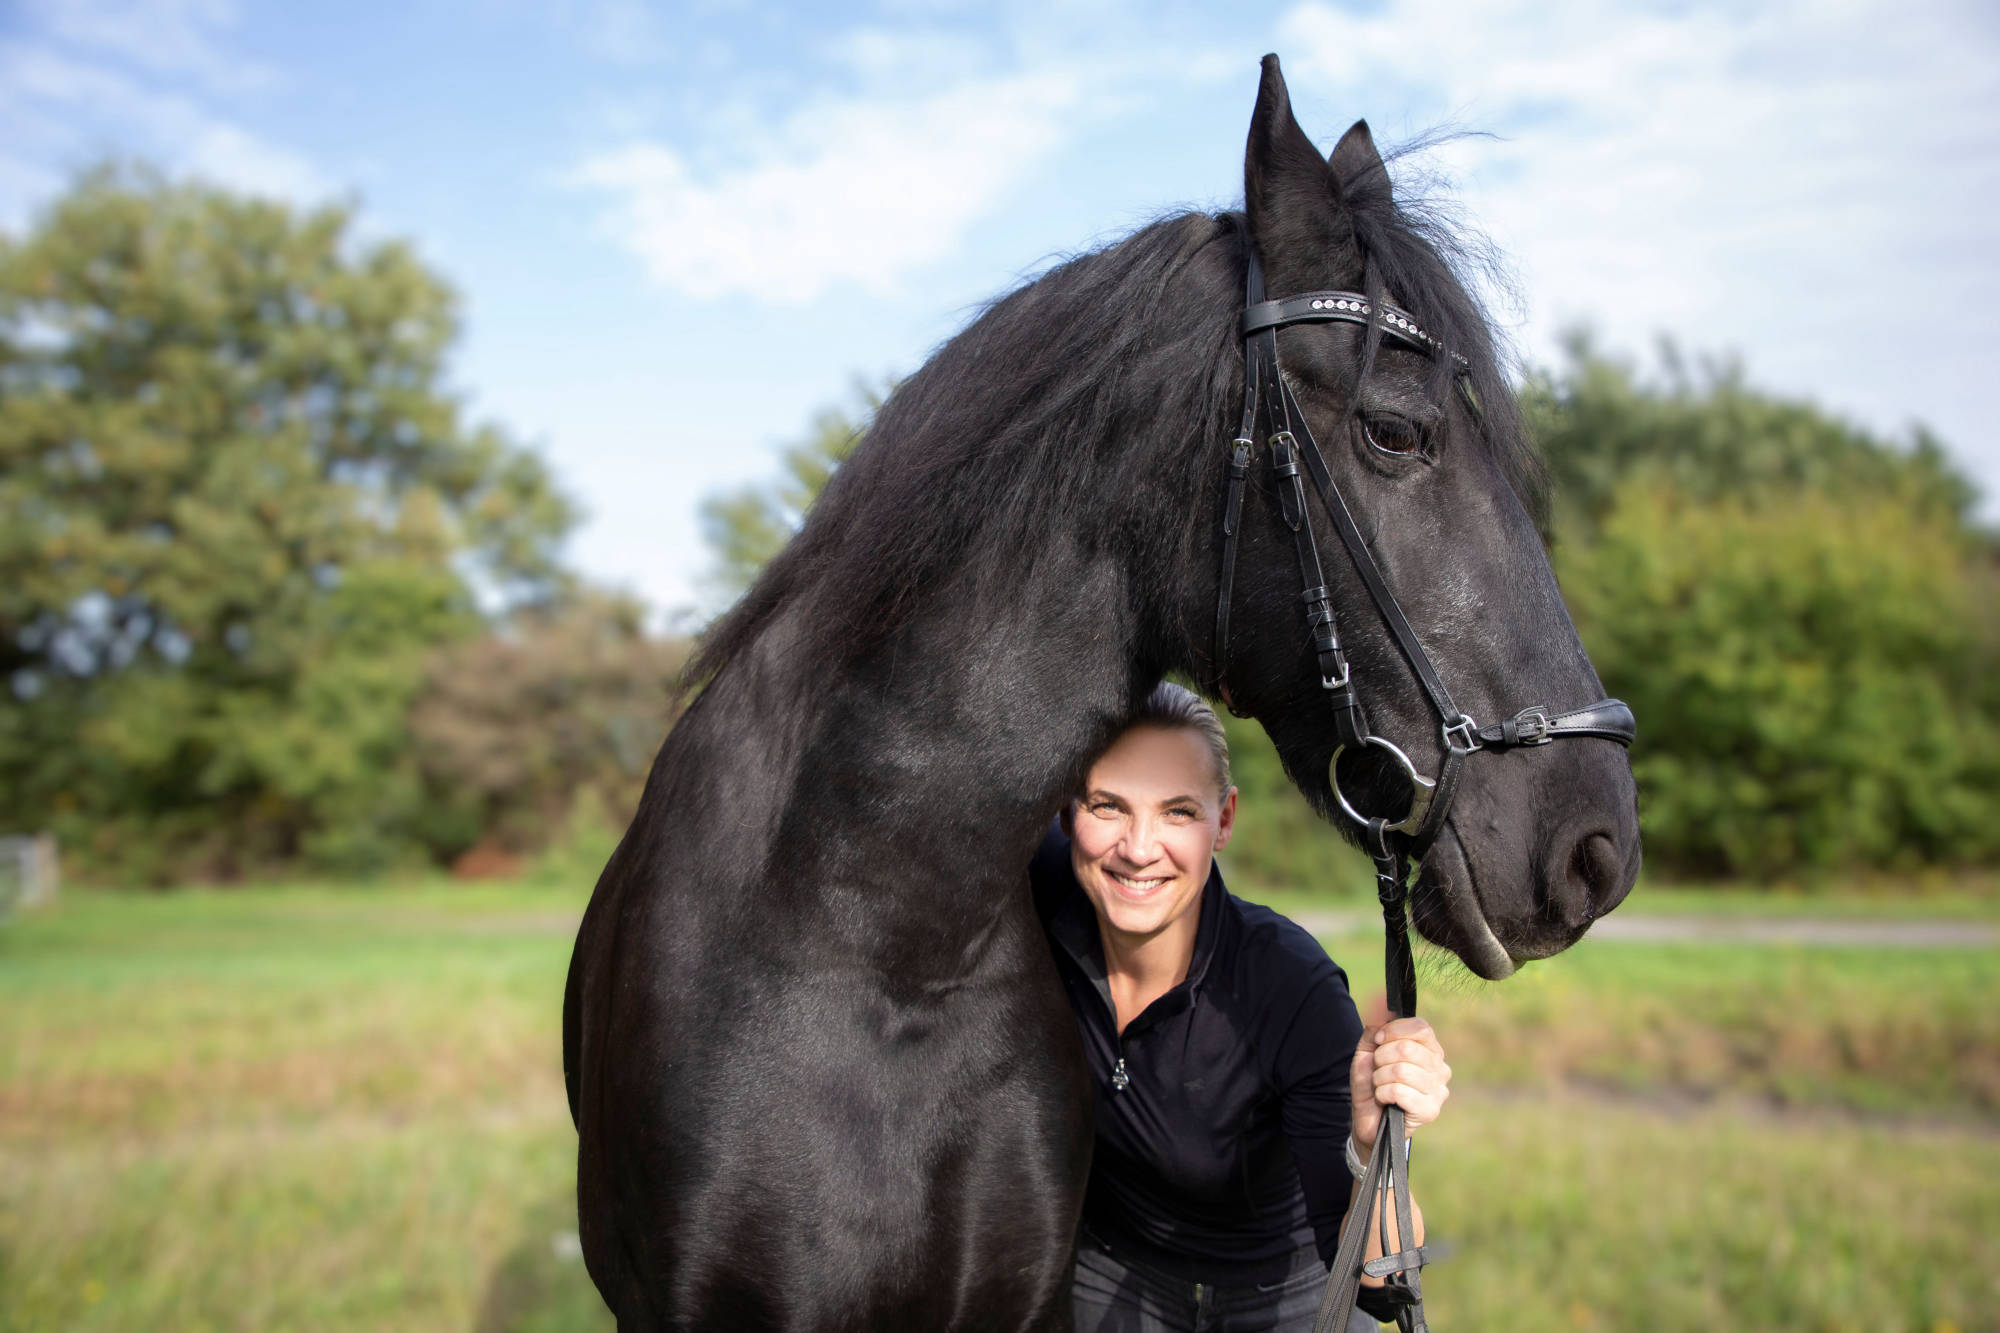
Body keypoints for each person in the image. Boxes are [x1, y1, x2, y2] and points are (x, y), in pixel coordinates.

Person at [1031, 682, 1452, 1332]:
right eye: (1109, 805)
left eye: (1177, 812)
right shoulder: (1040, 894)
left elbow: (1377, 1280)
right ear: (1065, 812)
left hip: (1280, 1290)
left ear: (1223, 820)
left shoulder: (1294, 990)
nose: (1139, 847)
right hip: (1111, 1271)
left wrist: (1374, 1150)